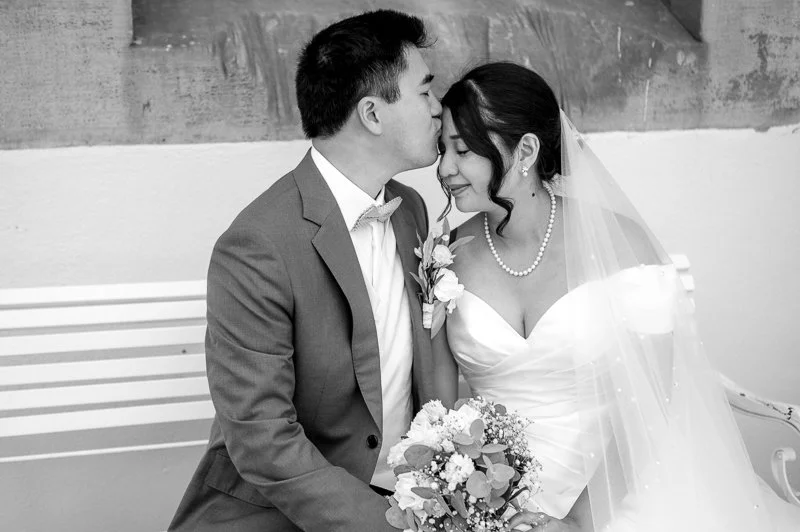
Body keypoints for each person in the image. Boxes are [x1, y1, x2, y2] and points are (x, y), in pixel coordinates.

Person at [433, 62, 800, 531]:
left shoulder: (623, 248)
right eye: (442, 149)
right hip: (489, 493)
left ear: (525, 150)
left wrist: (578, 523)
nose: (444, 169)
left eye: (462, 150)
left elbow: (650, 407)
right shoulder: (445, 258)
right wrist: (458, 495)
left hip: (621, 479)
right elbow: (438, 411)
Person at [168, 10, 443, 531]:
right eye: (425, 91)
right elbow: (263, 439)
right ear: (372, 114)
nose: (438, 108)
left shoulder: (410, 209)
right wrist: (390, 525)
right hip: (280, 517)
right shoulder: (256, 245)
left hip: (408, 498)